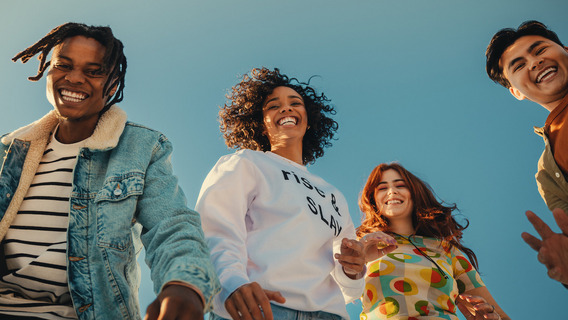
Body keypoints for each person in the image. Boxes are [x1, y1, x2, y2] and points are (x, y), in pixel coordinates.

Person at [0, 22, 219, 319]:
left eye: (94, 71)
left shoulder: (142, 148)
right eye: (63, 65)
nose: (75, 78)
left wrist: (184, 286)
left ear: (113, 85)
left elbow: (171, 225)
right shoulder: (9, 150)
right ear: (48, 71)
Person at [196, 67, 389, 320]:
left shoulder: (333, 195)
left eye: (295, 103)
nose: (286, 108)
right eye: (273, 106)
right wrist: (232, 284)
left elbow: (348, 287)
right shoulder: (246, 163)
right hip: (260, 309)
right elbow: (215, 231)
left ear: (308, 121)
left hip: (329, 315)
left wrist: (354, 268)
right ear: (261, 124)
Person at [356, 163, 509, 320]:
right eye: (382, 188)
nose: (392, 191)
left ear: (415, 194)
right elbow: (333, 293)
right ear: (372, 199)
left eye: (400, 185)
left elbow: (499, 315)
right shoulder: (363, 246)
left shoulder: (445, 250)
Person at [485, 20, 568, 287]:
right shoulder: (547, 174)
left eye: (540, 50)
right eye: (519, 65)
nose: (534, 62)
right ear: (516, 92)